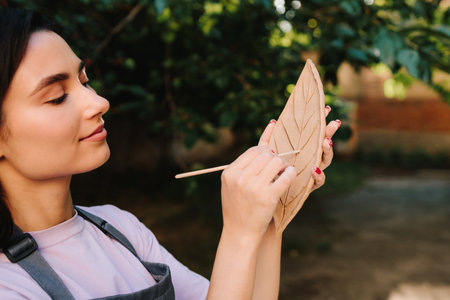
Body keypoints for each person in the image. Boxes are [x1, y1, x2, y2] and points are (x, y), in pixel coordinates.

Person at [0, 8, 339, 300]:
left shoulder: (119, 229)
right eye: (57, 96)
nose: (98, 102)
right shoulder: (9, 284)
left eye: (84, 81)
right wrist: (238, 234)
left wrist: (270, 215)